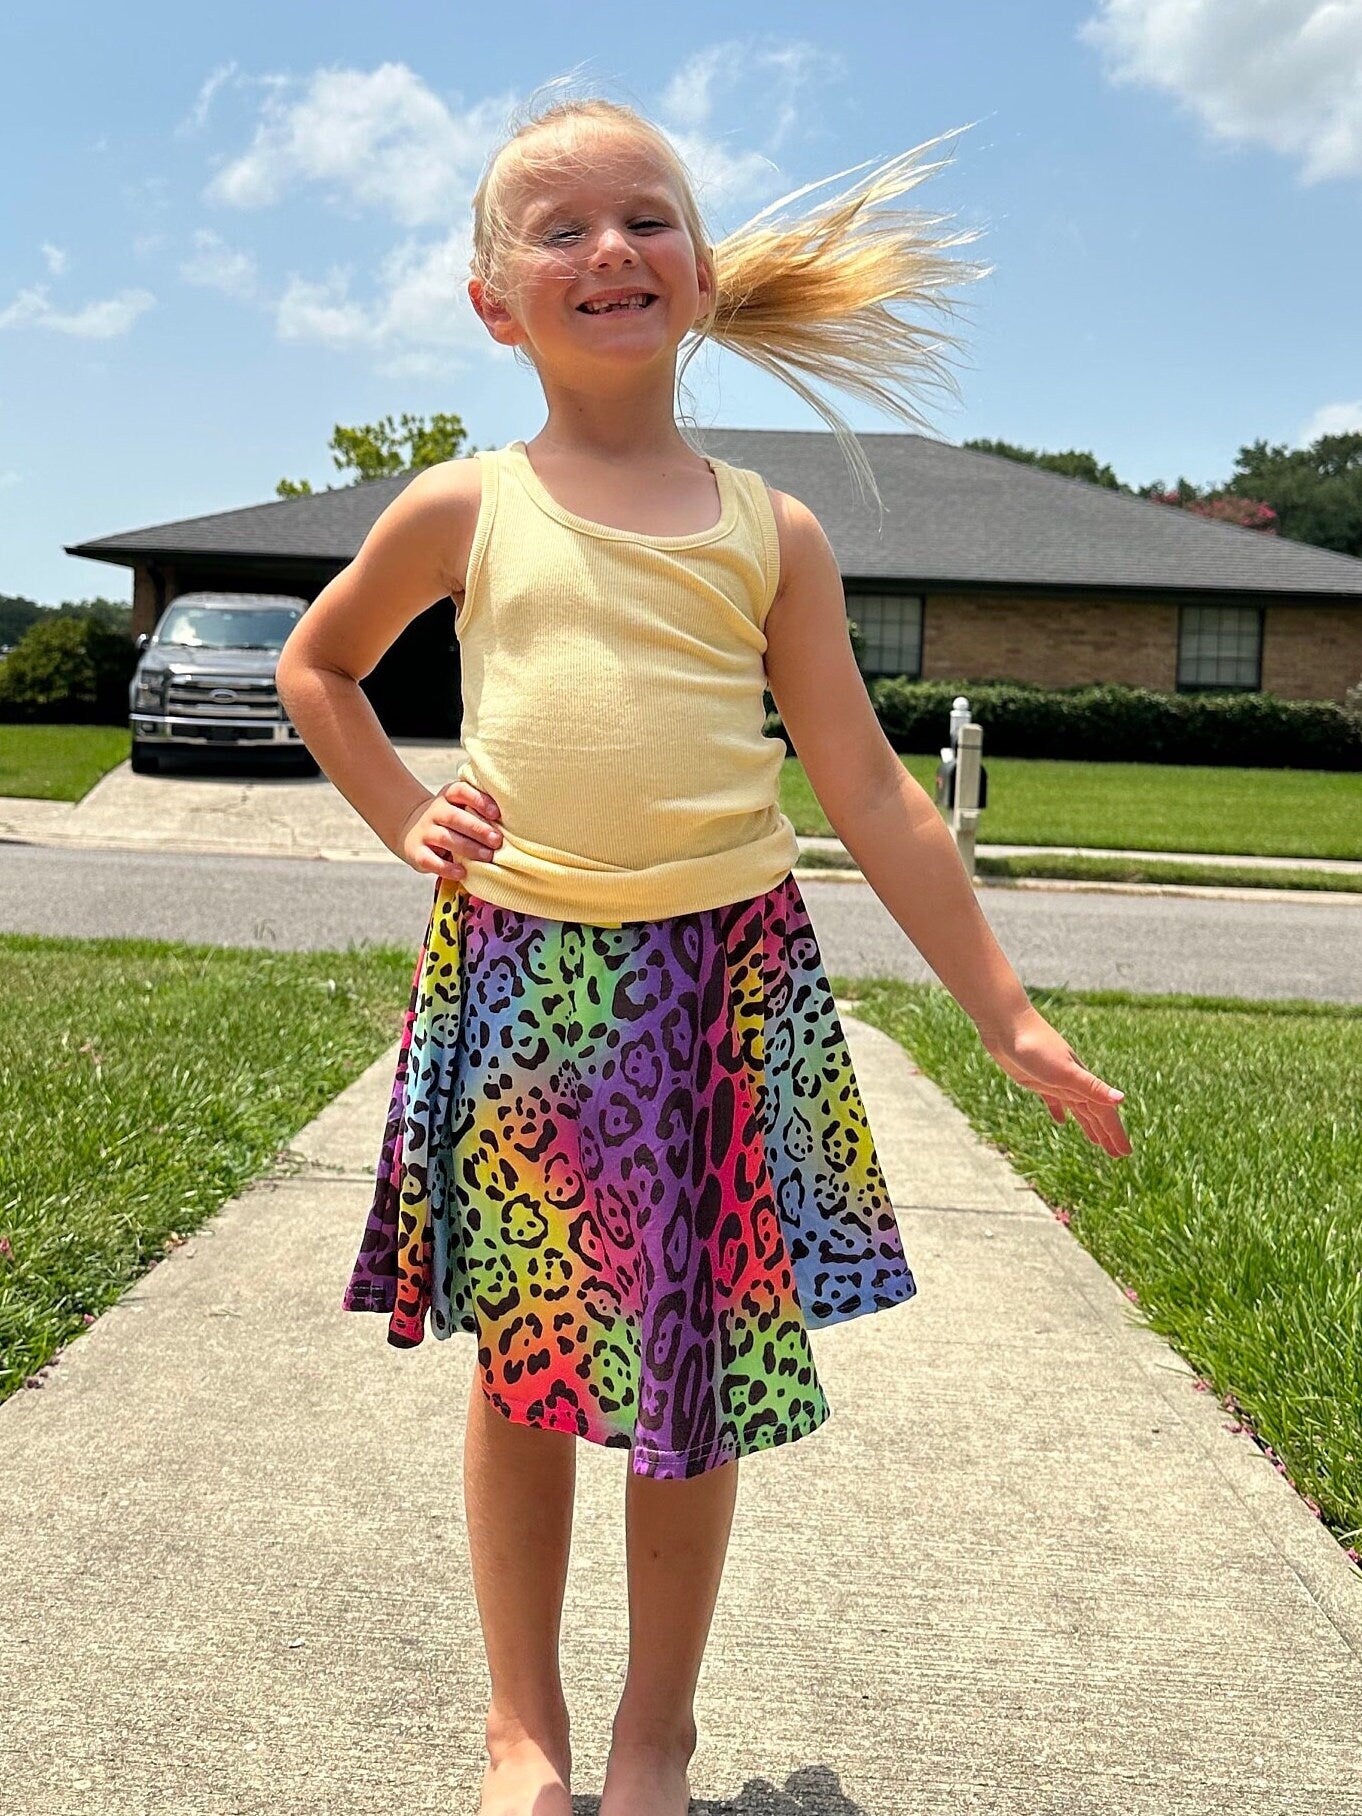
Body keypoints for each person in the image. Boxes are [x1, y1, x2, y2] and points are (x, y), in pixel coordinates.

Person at [276, 87, 1131, 1816]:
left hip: (721, 989)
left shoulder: (770, 532)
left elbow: (875, 794)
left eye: (646, 215)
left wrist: (1009, 1013)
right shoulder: (466, 505)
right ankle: (523, 1733)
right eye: (561, 227)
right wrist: (399, 812)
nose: (610, 248)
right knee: (526, 1378)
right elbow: (321, 667)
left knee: (695, 1376)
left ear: (705, 269)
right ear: (491, 302)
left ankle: (654, 1738)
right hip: (525, 985)